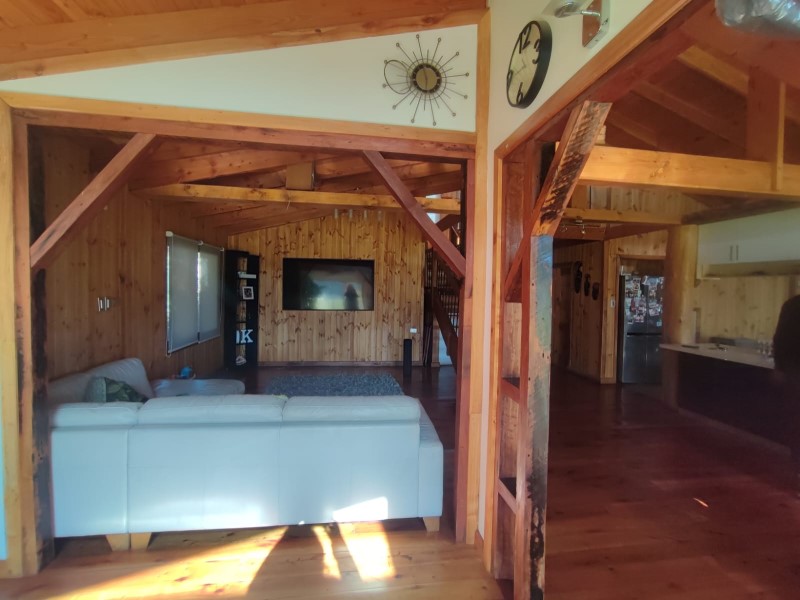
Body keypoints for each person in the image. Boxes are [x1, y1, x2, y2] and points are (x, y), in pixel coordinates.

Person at [773, 295, 800, 489]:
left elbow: (780, 339)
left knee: (796, 424)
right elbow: (781, 339)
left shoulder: (792, 305)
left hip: (793, 371)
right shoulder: (793, 305)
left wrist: (780, 367)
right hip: (795, 371)